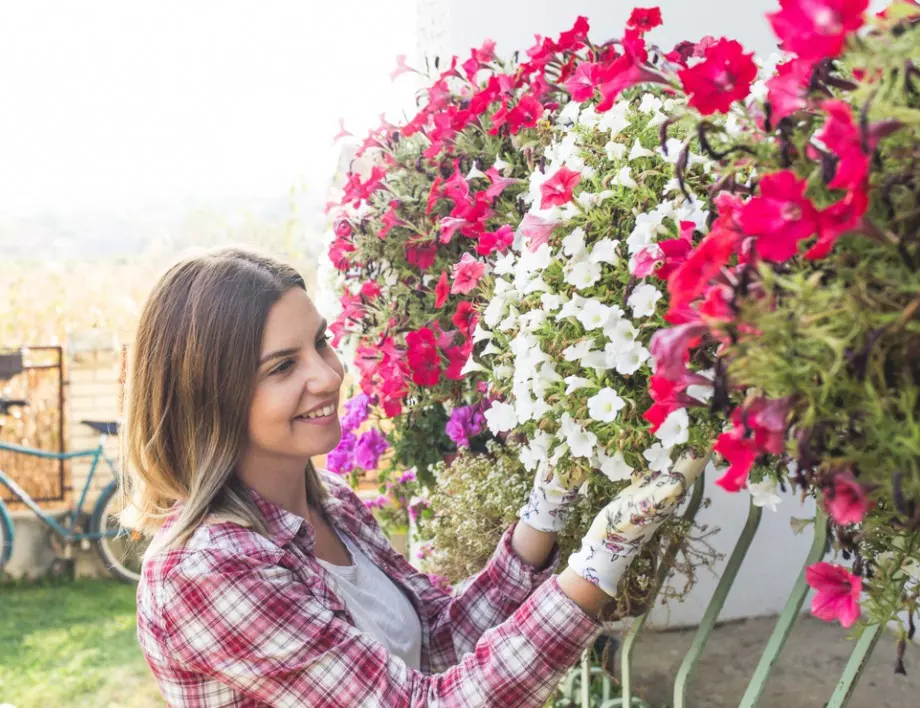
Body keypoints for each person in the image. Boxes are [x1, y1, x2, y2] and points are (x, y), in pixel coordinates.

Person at [123, 247, 705, 707]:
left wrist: (545, 509)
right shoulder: (207, 571)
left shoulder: (335, 508)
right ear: (209, 398)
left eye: (320, 342)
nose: (327, 375)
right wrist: (599, 560)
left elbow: (437, 639)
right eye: (282, 366)